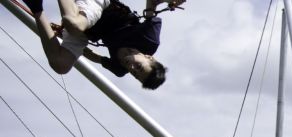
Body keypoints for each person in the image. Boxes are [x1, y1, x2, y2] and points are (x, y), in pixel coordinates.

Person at [23, 0, 184, 89]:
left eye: (135, 74)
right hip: (102, 4)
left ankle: (36, 7)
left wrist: (65, 39)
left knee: (61, 65)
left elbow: (95, 57)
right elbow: (152, 4)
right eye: (139, 67)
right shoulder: (149, 39)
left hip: (89, 29)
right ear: (149, 58)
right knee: (74, 24)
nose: (131, 68)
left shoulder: (119, 69)